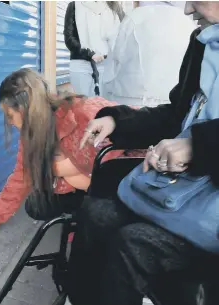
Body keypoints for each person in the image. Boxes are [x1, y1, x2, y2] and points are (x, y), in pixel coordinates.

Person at [67, 2, 219, 305]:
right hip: (185, 195)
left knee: (132, 245)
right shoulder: (203, 43)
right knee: (95, 214)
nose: (188, 9)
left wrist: (197, 146)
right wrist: (117, 120)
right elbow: (176, 115)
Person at [0, 68, 128, 236]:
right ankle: (80, 215)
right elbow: (21, 175)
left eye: (9, 115)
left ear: (25, 110)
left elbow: (134, 119)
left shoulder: (84, 111)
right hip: (80, 189)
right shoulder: (29, 133)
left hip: (116, 189)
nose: (9, 122)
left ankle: (88, 222)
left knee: (62, 170)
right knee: (36, 205)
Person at [102, 4, 195, 107]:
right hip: (172, 98)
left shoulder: (135, 16)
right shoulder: (186, 19)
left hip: (132, 97)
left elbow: (116, 57)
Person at [64, 1, 124, 97]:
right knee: (83, 107)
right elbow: (69, 38)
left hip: (106, 66)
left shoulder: (115, 7)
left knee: (102, 107)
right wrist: (89, 53)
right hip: (80, 66)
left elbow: (123, 37)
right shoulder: (74, 5)